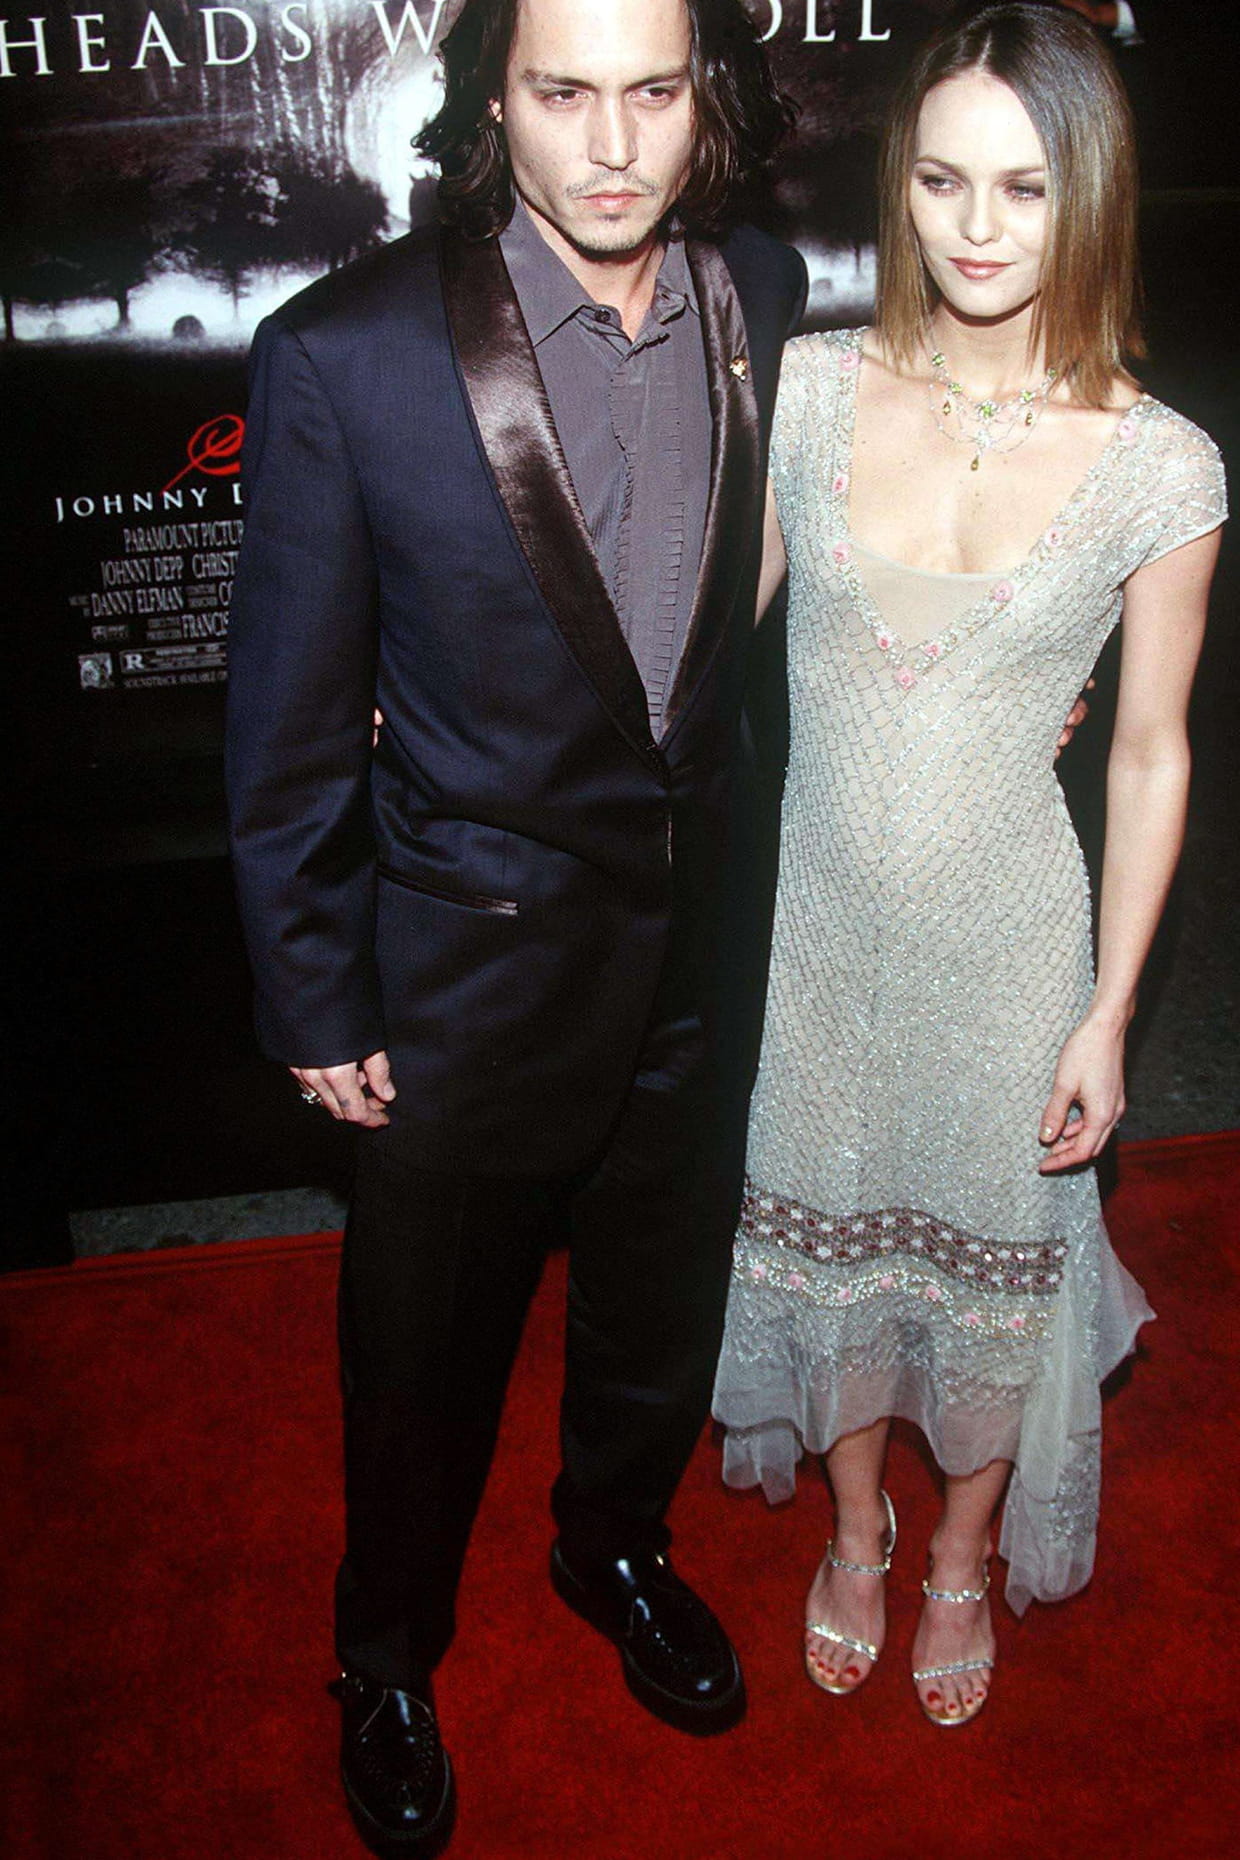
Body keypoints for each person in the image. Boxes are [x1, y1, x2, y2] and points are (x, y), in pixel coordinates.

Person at [225, 0, 805, 1849]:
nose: (613, 146)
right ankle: (383, 1657)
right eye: (564, 93)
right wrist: (316, 996)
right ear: (496, 97)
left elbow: (765, 603)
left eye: (654, 92)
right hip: (465, 970)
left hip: (695, 936)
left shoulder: (761, 291)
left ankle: (612, 1542)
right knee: (420, 1362)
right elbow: (287, 722)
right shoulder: (347, 356)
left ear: (706, 99)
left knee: (660, 1297)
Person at [712, 0, 1225, 1731]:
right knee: (834, 1259)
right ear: (900, 182)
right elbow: (689, 653)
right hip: (816, 943)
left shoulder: (1162, 467)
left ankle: (957, 1557)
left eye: (1024, 186)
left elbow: (1148, 751)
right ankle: (858, 1533)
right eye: (942, 181)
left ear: (1094, 195)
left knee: (993, 1276)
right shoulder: (807, 394)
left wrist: (1110, 1011)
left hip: (1012, 949)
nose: (979, 227)